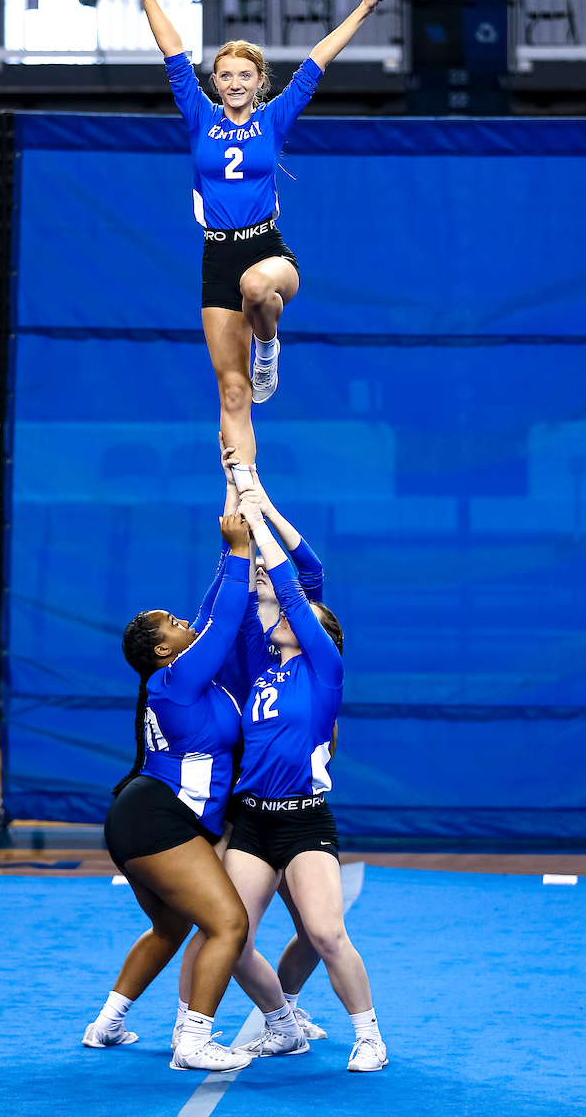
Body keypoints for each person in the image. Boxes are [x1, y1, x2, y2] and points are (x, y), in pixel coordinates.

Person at [120, 0, 386, 474]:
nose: (235, 83)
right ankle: (245, 494)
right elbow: (172, 49)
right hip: (216, 256)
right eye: (226, 76)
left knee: (257, 287)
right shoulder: (199, 117)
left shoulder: (274, 118)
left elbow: (317, 60)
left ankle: (268, 345)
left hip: (266, 251)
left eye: (245, 75)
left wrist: (362, 9)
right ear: (215, 83)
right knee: (234, 393)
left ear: (259, 81)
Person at [82, 510, 254, 1073]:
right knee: (227, 923)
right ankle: (195, 1041)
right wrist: (237, 554)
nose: (187, 625)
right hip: (156, 819)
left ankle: (106, 1024)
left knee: (170, 926)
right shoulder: (176, 678)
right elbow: (223, 625)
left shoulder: (175, 674)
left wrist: (232, 539)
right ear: (162, 649)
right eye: (174, 624)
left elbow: (209, 614)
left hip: (142, 814)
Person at [225, 494, 388, 1073]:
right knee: (232, 940)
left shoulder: (325, 674)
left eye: (302, 619)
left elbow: (298, 586)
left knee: (324, 933)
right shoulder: (262, 663)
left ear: (323, 640)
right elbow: (254, 589)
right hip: (252, 819)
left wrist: (256, 500)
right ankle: (282, 1024)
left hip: (302, 818)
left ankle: (368, 1034)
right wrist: (247, 503)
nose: (289, 618)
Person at [172, 452, 331, 1048]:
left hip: (292, 780)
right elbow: (229, 573)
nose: (269, 568)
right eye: (261, 567)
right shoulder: (240, 621)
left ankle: (283, 1009)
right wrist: (236, 525)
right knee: (222, 919)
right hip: (242, 781)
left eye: (272, 567)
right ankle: (193, 1016)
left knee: (316, 928)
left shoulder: (300, 621)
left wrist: (260, 500)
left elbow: (309, 565)